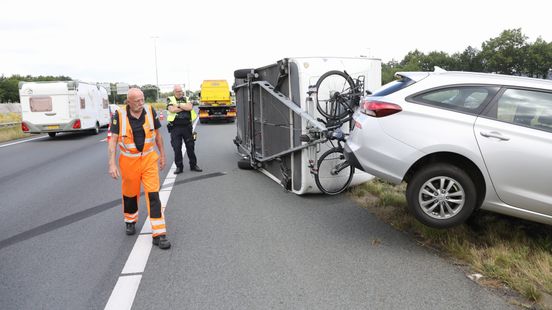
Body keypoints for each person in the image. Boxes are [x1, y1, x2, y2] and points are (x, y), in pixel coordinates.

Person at [108, 88, 171, 250]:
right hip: (129, 161)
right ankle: (130, 220)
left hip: (149, 159)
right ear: (128, 102)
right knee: (130, 193)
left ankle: (159, 233)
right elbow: (113, 141)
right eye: (137, 101)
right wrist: (112, 164)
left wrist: (163, 155)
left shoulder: (150, 111)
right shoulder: (119, 115)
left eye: (142, 99)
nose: (141, 103)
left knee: (153, 194)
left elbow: (158, 135)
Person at [167, 84, 202, 174]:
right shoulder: (170, 99)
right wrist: (184, 107)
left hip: (187, 127)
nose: (179, 93)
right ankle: (179, 167)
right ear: (174, 92)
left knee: (190, 146)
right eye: (177, 91)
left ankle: (193, 165)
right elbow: (172, 110)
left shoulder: (187, 98)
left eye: (180, 91)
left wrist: (178, 105)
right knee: (177, 147)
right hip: (175, 128)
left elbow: (190, 107)